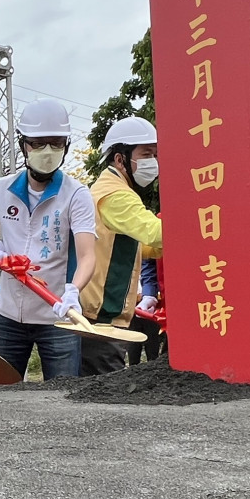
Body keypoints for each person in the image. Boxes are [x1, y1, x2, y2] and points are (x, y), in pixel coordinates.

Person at [0, 98, 96, 379]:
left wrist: (73, 291)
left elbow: (88, 255)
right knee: (0, 392)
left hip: (56, 316)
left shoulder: (76, 194)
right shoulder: (1, 189)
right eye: (38, 143)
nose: (47, 151)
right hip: (7, 313)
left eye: (56, 143)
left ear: (65, 147)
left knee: (62, 396)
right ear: (24, 145)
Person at [80, 115, 162, 375]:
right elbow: (155, 233)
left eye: (155, 154)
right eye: (147, 154)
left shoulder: (108, 189)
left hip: (99, 314)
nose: (153, 162)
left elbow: (137, 245)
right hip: (102, 317)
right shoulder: (116, 196)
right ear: (120, 159)